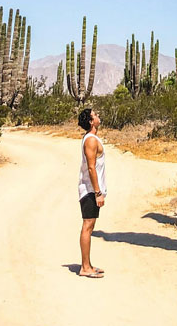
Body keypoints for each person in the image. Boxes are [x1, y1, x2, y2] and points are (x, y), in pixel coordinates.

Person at [77, 107, 106, 278]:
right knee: (87, 226)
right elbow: (91, 167)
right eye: (95, 115)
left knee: (90, 225)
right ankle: (85, 267)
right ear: (90, 121)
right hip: (89, 191)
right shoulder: (91, 141)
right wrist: (97, 192)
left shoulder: (92, 139)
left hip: (91, 190)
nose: (98, 116)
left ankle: (88, 264)